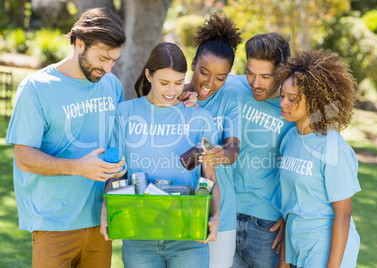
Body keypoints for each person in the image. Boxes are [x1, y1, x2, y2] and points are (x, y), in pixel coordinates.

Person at [5, 8, 197, 267]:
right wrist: (77, 167)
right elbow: (23, 157)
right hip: (53, 224)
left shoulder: (110, 85)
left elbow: (130, 127)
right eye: (103, 58)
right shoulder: (37, 88)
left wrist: (180, 94)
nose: (108, 68)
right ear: (79, 43)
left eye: (114, 61)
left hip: (100, 223)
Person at [100, 42, 221, 268]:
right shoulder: (125, 113)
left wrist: (215, 217)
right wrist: (106, 210)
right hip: (139, 233)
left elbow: (210, 179)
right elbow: (116, 173)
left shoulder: (200, 118)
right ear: (148, 74)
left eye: (178, 83)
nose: (172, 91)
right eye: (164, 83)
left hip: (189, 236)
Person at [277, 50, 361, 268]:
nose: (283, 103)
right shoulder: (289, 139)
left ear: (315, 101)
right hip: (298, 246)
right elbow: (291, 207)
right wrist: (283, 263)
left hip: (325, 251)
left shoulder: (332, 146)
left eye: (292, 98)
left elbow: (343, 215)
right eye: (282, 95)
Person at [222, 33, 295, 268]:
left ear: (282, 73)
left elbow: (304, 169)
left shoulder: (293, 109)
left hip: (267, 226)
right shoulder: (232, 87)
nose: (255, 83)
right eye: (251, 73)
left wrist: (290, 217)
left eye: (265, 76)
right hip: (226, 215)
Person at [183, 13, 242, 268]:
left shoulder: (230, 99)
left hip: (221, 211)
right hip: (180, 203)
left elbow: (233, 148)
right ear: (193, 62)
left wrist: (222, 154)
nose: (210, 84)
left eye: (221, 77)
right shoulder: (173, 94)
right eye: (204, 72)